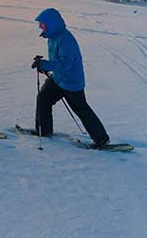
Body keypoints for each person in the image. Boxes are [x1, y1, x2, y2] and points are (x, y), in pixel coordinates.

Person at [31, 8, 110, 149]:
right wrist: (44, 66)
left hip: (71, 82)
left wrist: (46, 65)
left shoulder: (66, 39)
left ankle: (102, 140)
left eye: (42, 23)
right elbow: (58, 60)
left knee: (81, 109)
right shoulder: (53, 36)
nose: (40, 26)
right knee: (43, 98)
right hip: (58, 79)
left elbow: (66, 63)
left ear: (52, 23)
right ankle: (44, 130)